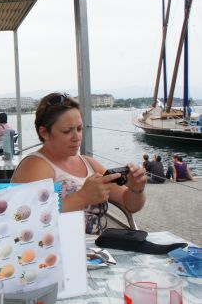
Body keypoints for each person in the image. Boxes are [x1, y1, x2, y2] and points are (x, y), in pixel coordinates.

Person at [11, 92, 146, 234]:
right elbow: (26, 219)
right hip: (58, 252)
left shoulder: (88, 163)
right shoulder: (35, 166)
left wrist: (136, 189)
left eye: (79, 129)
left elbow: (130, 205)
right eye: (67, 131)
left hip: (95, 250)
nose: (77, 137)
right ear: (44, 132)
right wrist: (82, 197)